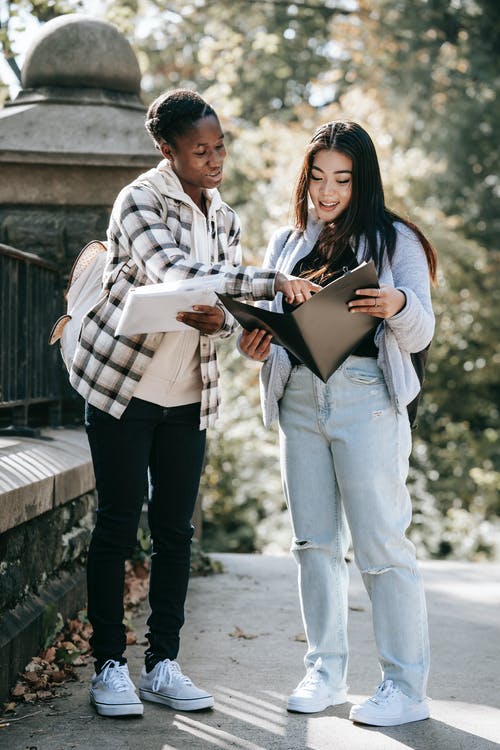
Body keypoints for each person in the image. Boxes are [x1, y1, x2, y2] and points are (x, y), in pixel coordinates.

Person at [69, 89, 316, 718]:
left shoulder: (226, 218)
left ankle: (162, 665)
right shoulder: (139, 201)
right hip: (123, 387)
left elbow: (220, 311)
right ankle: (107, 667)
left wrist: (224, 324)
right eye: (200, 150)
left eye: (220, 146)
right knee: (119, 524)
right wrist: (274, 281)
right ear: (167, 150)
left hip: (189, 396)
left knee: (176, 531)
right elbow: (173, 272)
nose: (214, 160)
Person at [239, 120, 437, 727]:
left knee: (382, 545)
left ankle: (405, 687)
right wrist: (259, 344)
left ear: (363, 182)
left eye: (342, 180)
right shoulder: (285, 243)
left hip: (365, 398)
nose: (328, 192)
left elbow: (423, 328)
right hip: (299, 399)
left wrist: (397, 305)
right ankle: (324, 673)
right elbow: (277, 330)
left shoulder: (394, 238)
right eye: (319, 177)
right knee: (313, 544)